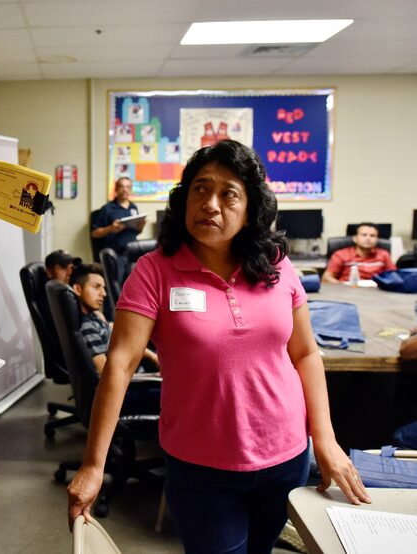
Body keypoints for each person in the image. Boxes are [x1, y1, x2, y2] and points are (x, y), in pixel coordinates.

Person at [67, 140, 370, 553]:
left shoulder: (276, 264)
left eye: (228, 194)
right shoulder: (154, 271)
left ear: (250, 209)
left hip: (286, 457)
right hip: (201, 468)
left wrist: (326, 441)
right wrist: (92, 465)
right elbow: (120, 364)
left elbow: (305, 353)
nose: (210, 204)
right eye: (200, 189)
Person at [71, 263, 158, 375]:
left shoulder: (95, 317)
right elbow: (107, 375)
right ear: (78, 289)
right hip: (135, 382)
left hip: (137, 369)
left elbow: (125, 342)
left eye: (103, 288)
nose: (104, 293)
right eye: (96, 287)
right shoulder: (88, 328)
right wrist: (152, 376)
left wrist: (153, 357)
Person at [322, 223, 395, 283]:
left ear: (377, 239)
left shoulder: (384, 255)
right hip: (347, 291)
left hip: (377, 292)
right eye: (364, 235)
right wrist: (342, 286)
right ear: (355, 238)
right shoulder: (341, 254)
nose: (368, 238)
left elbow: (394, 276)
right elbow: (326, 278)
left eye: (372, 236)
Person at [90, 176, 146, 256]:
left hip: (133, 251)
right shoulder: (107, 208)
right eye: (121, 186)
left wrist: (140, 228)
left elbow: (135, 232)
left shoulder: (133, 207)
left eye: (127, 187)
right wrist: (111, 228)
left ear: (131, 190)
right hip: (116, 253)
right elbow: (94, 233)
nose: (125, 190)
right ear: (116, 189)